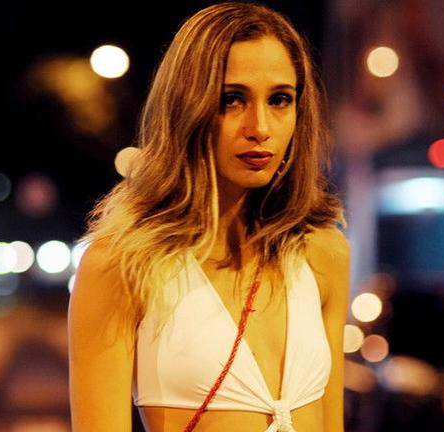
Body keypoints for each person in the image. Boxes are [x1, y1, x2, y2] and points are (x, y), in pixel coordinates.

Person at [68, 2, 350, 431]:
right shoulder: (120, 266)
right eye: (232, 99)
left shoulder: (323, 253)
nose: (260, 127)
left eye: (280, 99)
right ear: (187, 107)